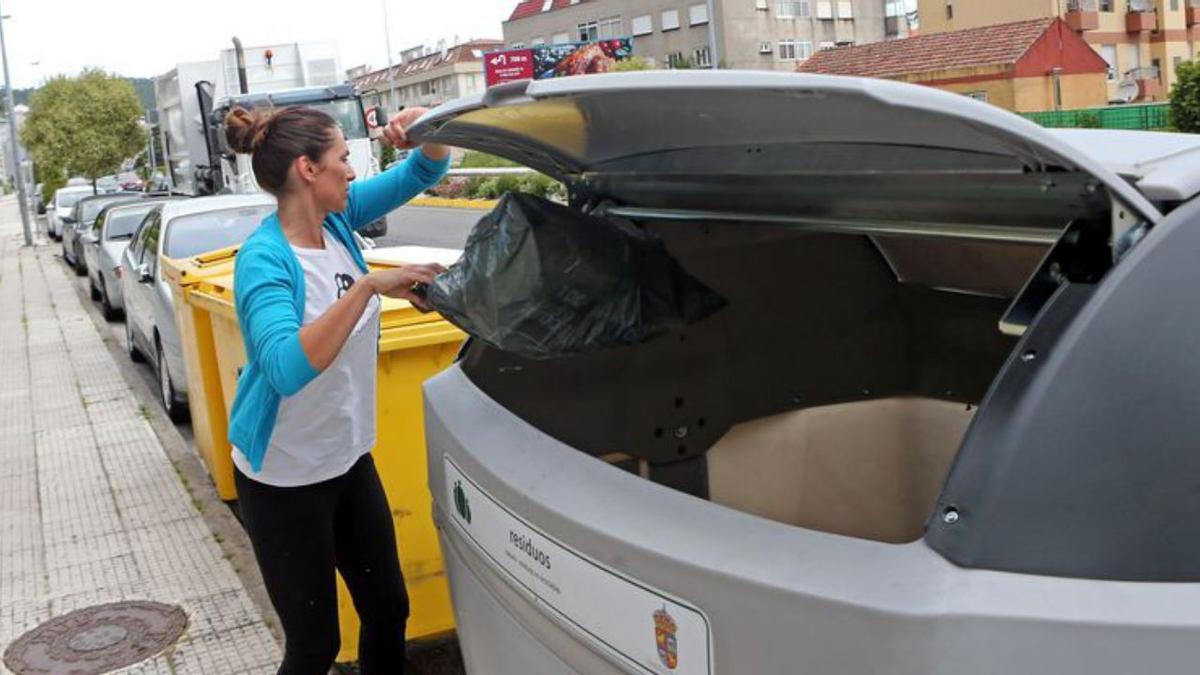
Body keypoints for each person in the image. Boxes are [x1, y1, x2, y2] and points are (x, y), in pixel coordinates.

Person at [223, 103, 450, 674]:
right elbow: (285, 368)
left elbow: (424, 171)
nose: (351, 172)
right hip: (284, 479)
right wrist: (369, 286)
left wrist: (428, 130)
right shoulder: (264, 261)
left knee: (388, 609)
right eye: (342, 158)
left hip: (345, 459)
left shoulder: (339, 222)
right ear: (307, 169)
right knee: (314, 647)